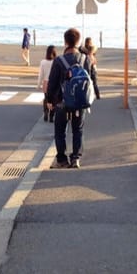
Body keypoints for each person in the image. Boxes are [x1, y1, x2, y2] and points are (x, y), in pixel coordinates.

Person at [46, 28, 94, 169]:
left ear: (65, 42)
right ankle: (76, 158)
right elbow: (90, 79)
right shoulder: (85, 59)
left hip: (62, 102)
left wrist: (49, 100)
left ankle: (62, 159)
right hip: (80, 101)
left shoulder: (59, 61)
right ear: (78, 42)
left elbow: (52, 83)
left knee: (60, 130)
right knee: (77, 130)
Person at [38, 45, 57, 122]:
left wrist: (38, 84)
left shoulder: (43, 62)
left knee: (46, 98)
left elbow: (41, 74)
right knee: (53, 100)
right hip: (54, 83)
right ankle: (52, 116)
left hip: (45, 82)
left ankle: (46, 112)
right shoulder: (56, 61)